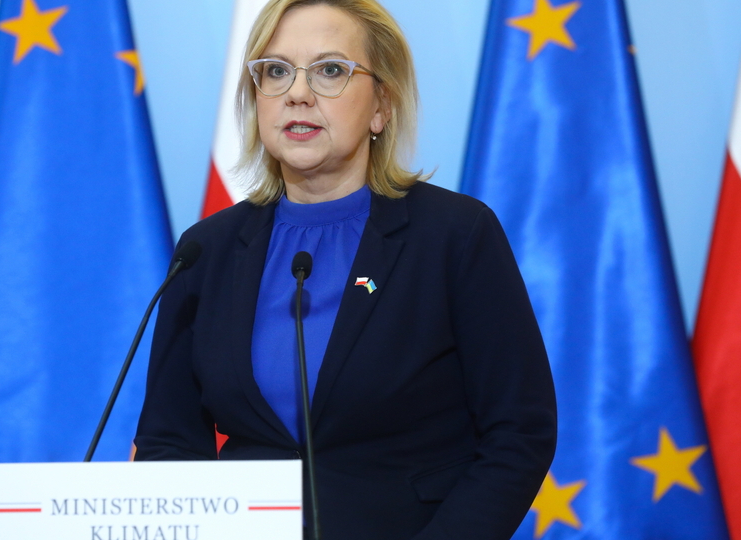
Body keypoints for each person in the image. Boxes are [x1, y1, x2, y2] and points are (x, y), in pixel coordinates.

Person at [134, 1, 557, 538]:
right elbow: (168, 442)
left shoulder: (454, 235)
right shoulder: (206, 250)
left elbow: (519, 432)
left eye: (330, 70)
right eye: (276, 71)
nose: (297, 93)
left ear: (381, 105)